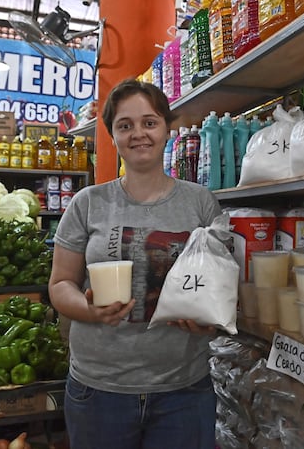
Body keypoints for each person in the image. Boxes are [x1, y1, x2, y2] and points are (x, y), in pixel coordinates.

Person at [48, 78, 222, 449]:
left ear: (166, 128)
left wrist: (208, 319)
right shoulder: (87, 203)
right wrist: (89, 309)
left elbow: (220, 284)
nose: (138, 133)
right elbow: (61, 284)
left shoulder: (201, 203)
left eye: (149, 122)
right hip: (101, 390)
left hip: (183, 390)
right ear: (112, 135)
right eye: (125, 125)